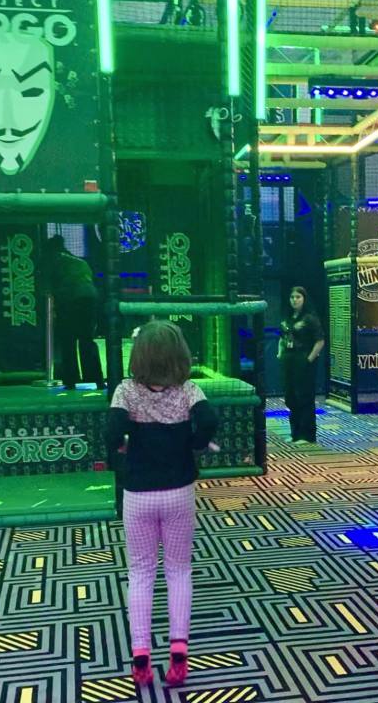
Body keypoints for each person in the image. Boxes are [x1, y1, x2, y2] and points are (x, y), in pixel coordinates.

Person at [105, 321, 219, 687]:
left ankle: (140, 655)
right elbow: (210, 421)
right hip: (178, 493)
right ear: (178, 355)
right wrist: (194, 443)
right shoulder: (188, 391)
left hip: (138, 495)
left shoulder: (126, 391)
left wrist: (122, 448)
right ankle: (179, 654)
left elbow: (110, 433)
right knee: (178, 571)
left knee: (140, 573)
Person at [43, 235, 104, 390]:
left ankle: (70, 381)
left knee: (67, 342)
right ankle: (96, 380)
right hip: (88, 299)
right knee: (86, 341)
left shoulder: (52, 260)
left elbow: (46, 288)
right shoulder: (78, 261)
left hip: (69, 301)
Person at [278, 286, 325, 445]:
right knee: (291, 397)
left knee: (304, 396)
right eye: (292, 297)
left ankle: (307, 435)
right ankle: (295, 433)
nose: (294, 300)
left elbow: (320, 341)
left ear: (304, 299)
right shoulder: (288, 317)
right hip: (288, 359)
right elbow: (282, 337)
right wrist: (280, 353)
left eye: (298, 297)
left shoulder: (310, 318)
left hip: (303, 358)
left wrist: (308, 360)